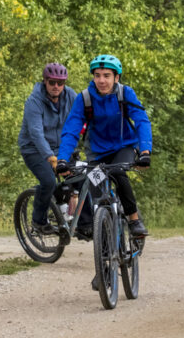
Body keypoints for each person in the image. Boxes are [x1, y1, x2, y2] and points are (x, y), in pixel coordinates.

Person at [55, 54, 152, 239]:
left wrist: (145, 152)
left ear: (116, 77)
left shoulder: (125, 93)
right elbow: (71, 130)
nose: (101, 80)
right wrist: (62, 159)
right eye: (97, 75)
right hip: (97, 154)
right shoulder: (84, 98)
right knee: (94, 187)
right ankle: (103, 238)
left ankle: (134, 219)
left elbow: (141, 120)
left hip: (123, 148)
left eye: (107, 75)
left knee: (117, 173)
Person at [18, 62, 77, 234]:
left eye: (60, 82)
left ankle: (83, 221)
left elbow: (84, 118)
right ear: (45, 81)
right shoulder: (34, 101)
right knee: (49, 181)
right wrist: (51, 158)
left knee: (81, 175)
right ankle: (39, 221)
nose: (56, 86)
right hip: (34, 149)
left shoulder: (71, 96)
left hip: (60, 147)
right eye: (52, 82)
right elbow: (36, 133)